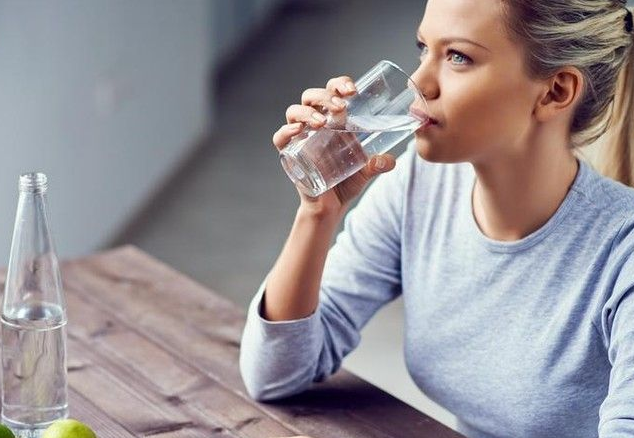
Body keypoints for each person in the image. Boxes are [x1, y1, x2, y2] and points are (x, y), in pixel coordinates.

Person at [239, 0, 634, 436]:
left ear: (555, 91)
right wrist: (317, 213)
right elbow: (274, 375)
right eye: (423, 48)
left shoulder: (623, 252)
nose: (419, 84)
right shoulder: (419, 183)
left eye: (458, 57)